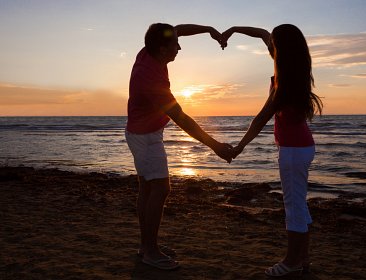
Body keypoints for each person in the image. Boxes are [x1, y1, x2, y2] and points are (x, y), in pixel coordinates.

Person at [125, 23, 232, 270]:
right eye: (175, 44)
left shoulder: (149, 50)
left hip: (140, 131)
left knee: (147, 188)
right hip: (146, 137)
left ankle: (146, 245)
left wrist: (208, 30)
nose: (179, 47)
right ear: (163, 49)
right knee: (160, 189)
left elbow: (177, 29)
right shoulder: (149, 78)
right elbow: (181, 118)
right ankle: (150, 251)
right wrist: (214, 145)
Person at [222, 24, 323, 277]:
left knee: (293, 206)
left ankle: (291, 262)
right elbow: (262, 34)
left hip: (293, 152)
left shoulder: (284, 85)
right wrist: (233, 29)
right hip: (302, 147)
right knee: (299, 203)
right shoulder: (296, 70)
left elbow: (259, 120)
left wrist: (239, 148)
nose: (269, 45)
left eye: (274, 44)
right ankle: (303, 258)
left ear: (280, 49)